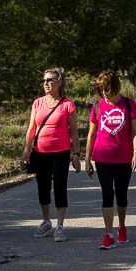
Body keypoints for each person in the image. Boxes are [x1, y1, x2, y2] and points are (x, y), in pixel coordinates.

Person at [21, 68, 80, 241]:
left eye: (50, 80)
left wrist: (76, 154)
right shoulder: (37, 103)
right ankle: (46, 222)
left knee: (60, 187)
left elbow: (74, 132)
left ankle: (60, 226)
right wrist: (26, 151)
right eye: (44, 80)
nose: (46, 83)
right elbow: (31, 129)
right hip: (40, 153)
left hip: (60, 153)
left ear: (59, 82)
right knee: (43, 187)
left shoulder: (67, 104)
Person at [85, 71, 136, 250]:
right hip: (102, 157)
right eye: (100, 89)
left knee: (122, 194)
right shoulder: (97, 106)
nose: (104, 93)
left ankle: (122, 227)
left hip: (124, 158)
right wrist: (87, 159)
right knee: (107, 194)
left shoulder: (128, 104)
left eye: (106, 89)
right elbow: (92, 133)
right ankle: (108, 234)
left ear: (115, 87)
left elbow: (135, 131)